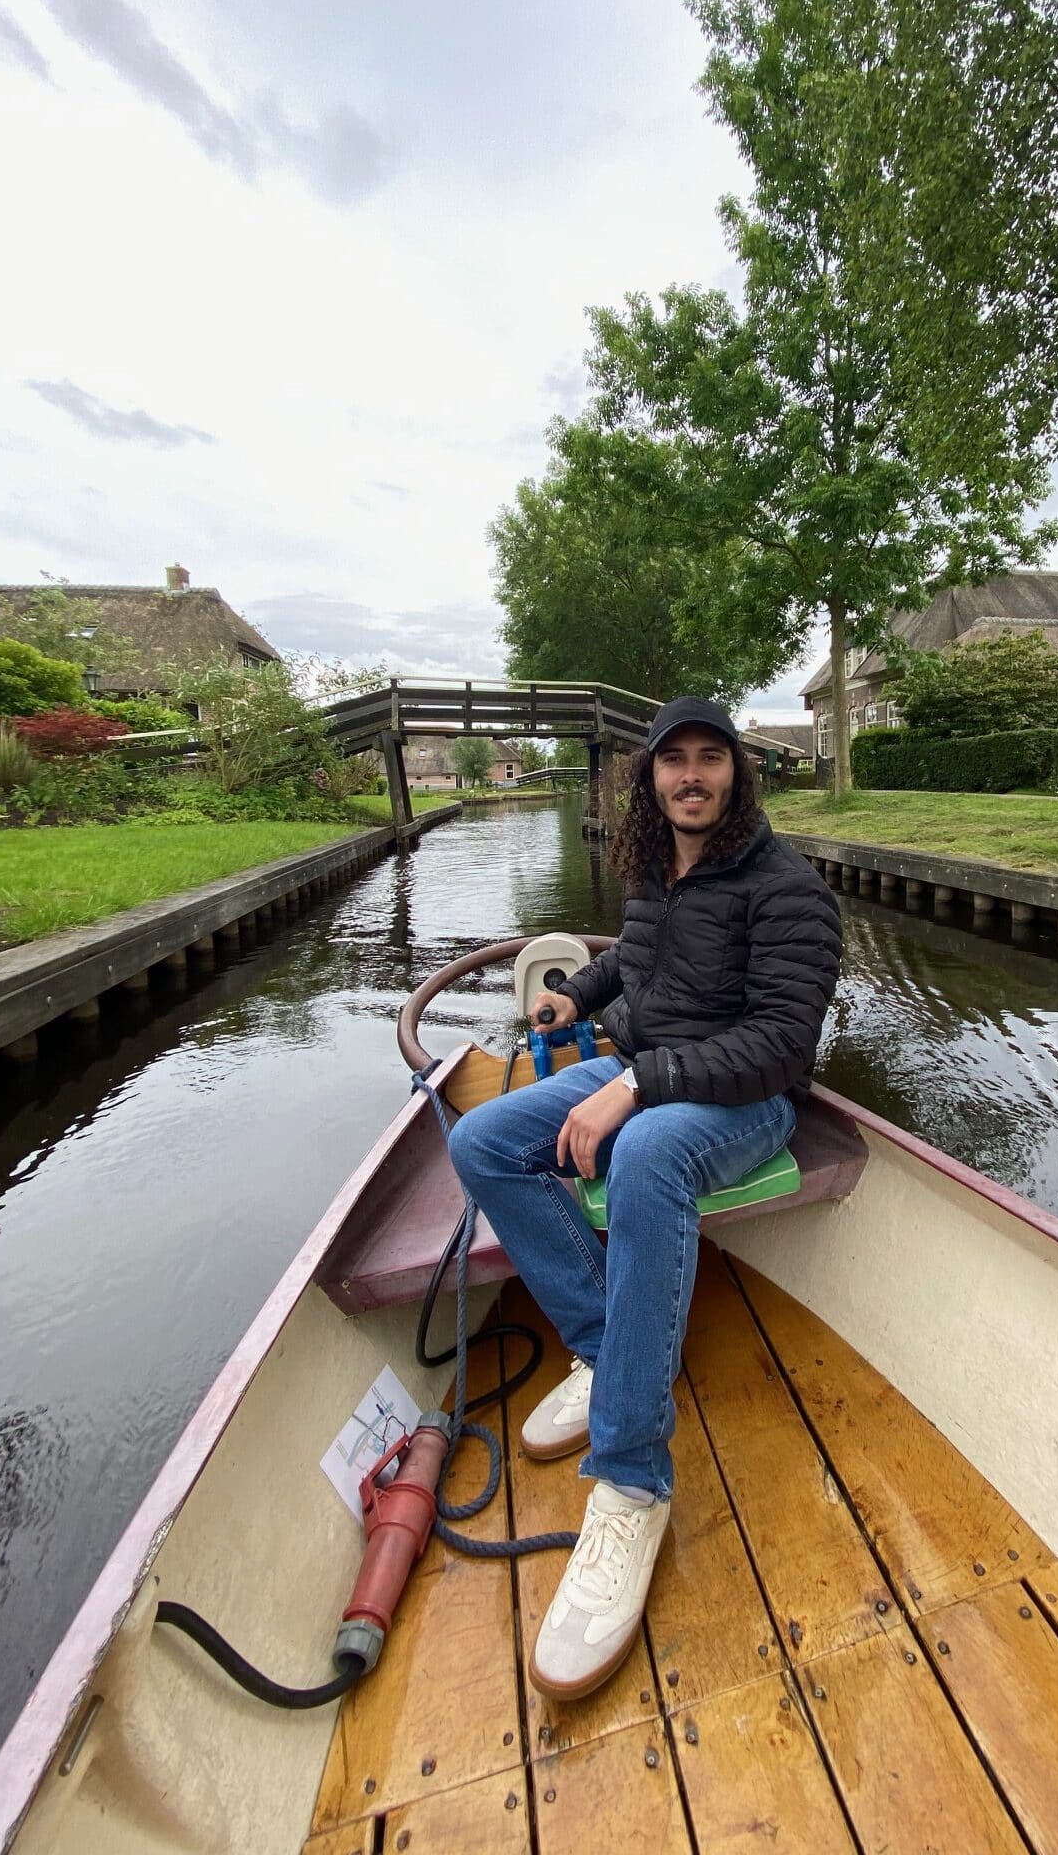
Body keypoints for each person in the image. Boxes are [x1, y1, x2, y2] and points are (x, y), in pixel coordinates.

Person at [446, 695, 842, 1700]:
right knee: (484, 1137)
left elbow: (782, 1044)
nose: (693, 777)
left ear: (737, 775)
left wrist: (634, 1084)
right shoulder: (658, 867)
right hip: (657, 1066)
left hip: (748, 1100)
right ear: (652, 778)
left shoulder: (787, 889)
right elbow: (636, 962)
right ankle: (604, 1343)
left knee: (650, 1152)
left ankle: (631, 1481)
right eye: (676, 762)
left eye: (712, 759)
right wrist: (578, 996)